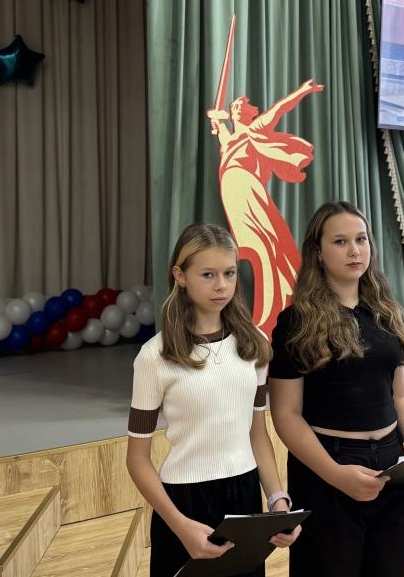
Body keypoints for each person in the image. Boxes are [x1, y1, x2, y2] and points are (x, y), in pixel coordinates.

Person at [269, 201, 404, 576]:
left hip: (392, 469)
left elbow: (400, 398)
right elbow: (286, 415)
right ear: (318, 252)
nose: (354, 250)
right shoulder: (295, 322)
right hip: (327, 470)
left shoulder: (386, 312)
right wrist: (336, 474)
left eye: (361, 239)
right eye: (340, 241)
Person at [126, 223, 300, 577]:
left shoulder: (254, 344)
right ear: (180, 276)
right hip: (182, 504)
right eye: (208, 274)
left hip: (245, 496)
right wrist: (179, 525)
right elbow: (137, 459)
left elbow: (257, 434)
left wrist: (277, 499)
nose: (222, 285)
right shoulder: (153, 356)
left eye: (229, 273)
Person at [206, 78, 324, 332]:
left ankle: (278, 310)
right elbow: (220, 130)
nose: (237, 108)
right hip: (232, 189)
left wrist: (302, 91)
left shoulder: (255, 129)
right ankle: (268, 311)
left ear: (249, 113)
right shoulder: (229, 139)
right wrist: (216, 120)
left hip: (248, 187)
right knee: (254, 247)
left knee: (268, 246)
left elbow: (279, 108)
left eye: (241, 105)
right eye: (235, 106)